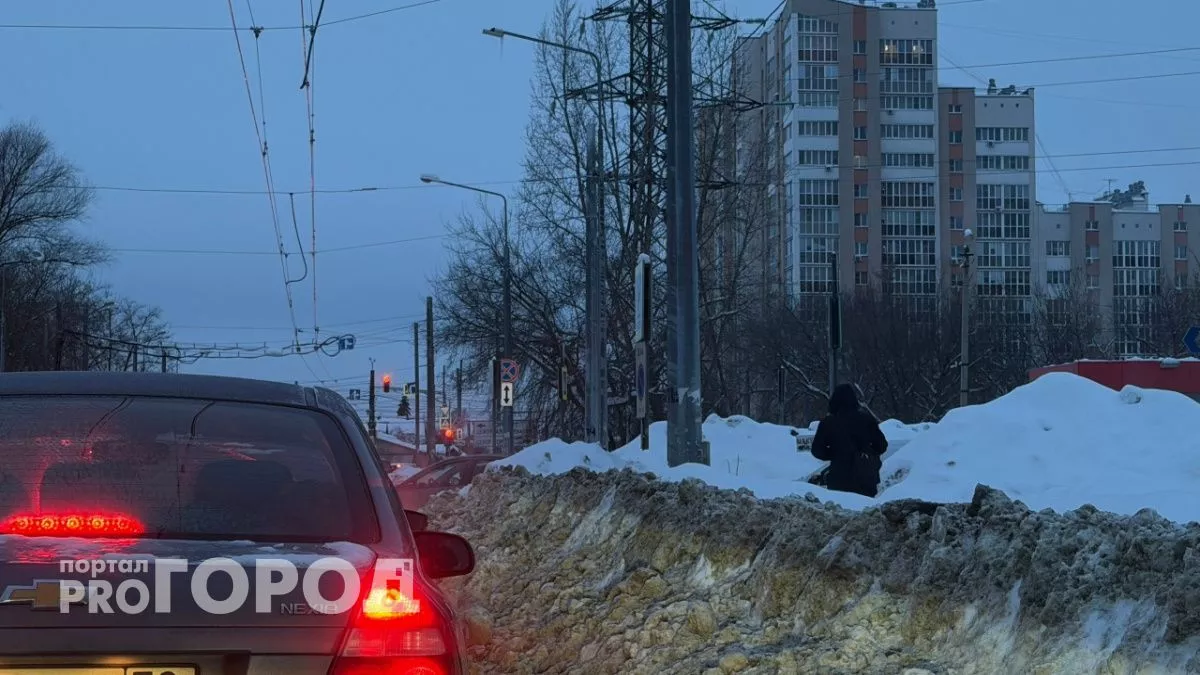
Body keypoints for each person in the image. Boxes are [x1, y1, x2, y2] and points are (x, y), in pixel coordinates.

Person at [810, 384, 888, 497]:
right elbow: (882, 445)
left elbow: (817, 450)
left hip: (839, 477)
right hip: (865, 477)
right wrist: (867, 452)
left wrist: (834, 454)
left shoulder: (828, 423)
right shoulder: (867, 420)